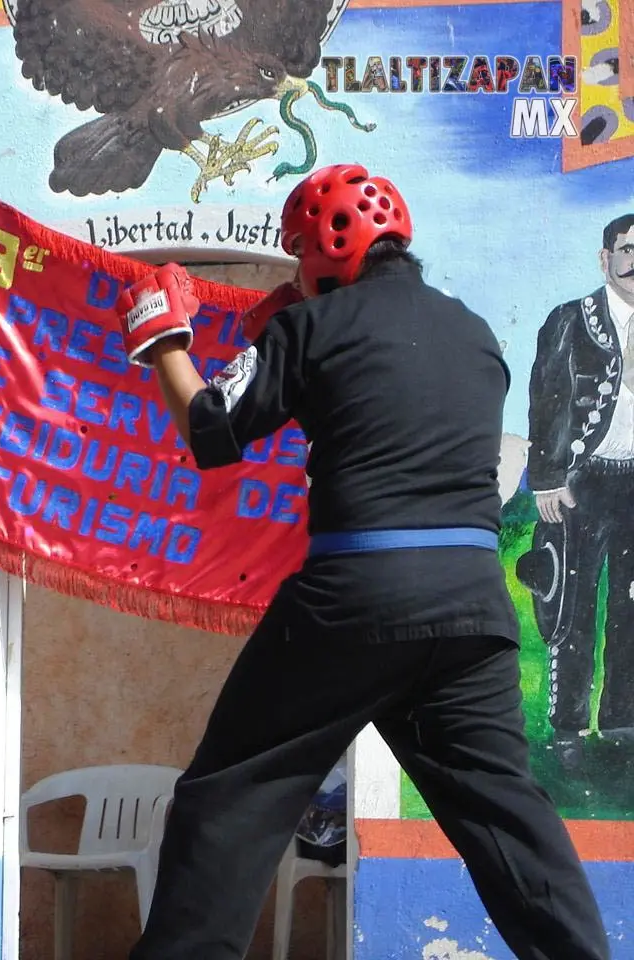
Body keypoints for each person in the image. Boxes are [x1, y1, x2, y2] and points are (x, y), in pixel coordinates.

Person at [113, 163, 610, 960]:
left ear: (317, 259)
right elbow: (388, 400)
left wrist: (164, 338)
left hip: (356, 601)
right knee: (506, 815)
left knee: (227, 797)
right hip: (472, 608)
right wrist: (294, 341)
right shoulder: (476, 334)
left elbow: (213, 431)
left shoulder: (312, 328)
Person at [519, 213, 634, 761]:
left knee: (632, 608)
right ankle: (567, 728)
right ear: (605, 257)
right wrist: (544, 478)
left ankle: (621, 725)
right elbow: (545, 402)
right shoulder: (570, 320)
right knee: (572, 604)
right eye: (627, 250)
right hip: (581, 482)